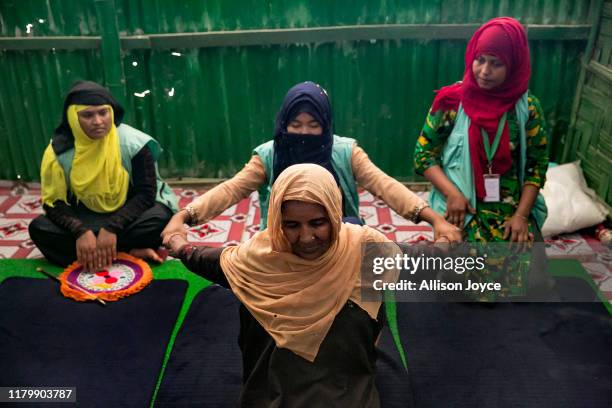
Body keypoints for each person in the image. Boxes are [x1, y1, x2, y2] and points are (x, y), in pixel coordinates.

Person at [166, 163, 402, 407]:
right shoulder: (257, 260)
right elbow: (207, 260)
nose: (306, 237)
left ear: (334, 214)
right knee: (250, 291)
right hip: (277, 391)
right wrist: (180, 244)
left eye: (318, 223)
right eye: (291, 225)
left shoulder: (365, 247)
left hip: (345, 387)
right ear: (277, 221)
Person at [162, 81, 461, 246]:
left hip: (339, 237)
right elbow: (231, 190)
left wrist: (434, 220)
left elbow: (387, 186)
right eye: (295, 123)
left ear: (326, 125)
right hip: (284, 239)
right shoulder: (269, 155)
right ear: (283, 124)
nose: (304, 132)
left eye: (313, 124)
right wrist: (185, 216)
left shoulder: (345, 152)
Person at [413, 17, 549, 296]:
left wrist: (522, 216)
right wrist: (452, 194)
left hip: (509, 207)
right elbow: (423, 156)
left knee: (532, 286)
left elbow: (537, 166)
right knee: (457, 288)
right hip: (464, 206)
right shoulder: (451, 102)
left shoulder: (527, 109)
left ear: (514, 65)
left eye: (496, 64)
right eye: (480, 60)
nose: (484, 71)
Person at [29, 81, 178, 271]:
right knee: (39, 228)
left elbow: (146, 194)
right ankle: (126, 252)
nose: (98, 121)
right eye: (87, 115)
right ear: (73, 117)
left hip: (127, 214)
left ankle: (96, 254)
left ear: (112, 112)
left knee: (161, 217)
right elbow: (53, 204)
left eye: (103, 112)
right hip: (85, 217)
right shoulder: (59, 151)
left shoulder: (133, 143)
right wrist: (80, 231)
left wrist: (112, 228)